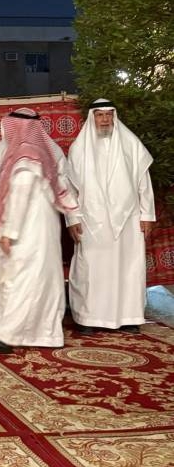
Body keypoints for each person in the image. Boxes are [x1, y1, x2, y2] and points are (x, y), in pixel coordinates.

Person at [0, 108, 78, 353]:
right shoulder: (41, 154)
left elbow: (19, 195)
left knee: (21, 282)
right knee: (43, 283)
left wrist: (9, 231)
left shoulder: (25, 157)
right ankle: (46, 334)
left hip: (29, 231)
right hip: (43, 230)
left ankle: (2, 337)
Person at [67, 99, 155, 334]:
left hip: (128, 219)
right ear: (92, 117)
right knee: (91, 268)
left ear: (114, 117)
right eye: (100, 115)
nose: (105, 119)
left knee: (128, 267)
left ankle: (128, 317)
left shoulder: (131, 144)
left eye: (108, 115)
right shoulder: (79, 148)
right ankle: (88, 318)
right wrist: (72, 218)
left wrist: (147, 214)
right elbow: (69, 188)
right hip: (91, 219)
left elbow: (143, 182)